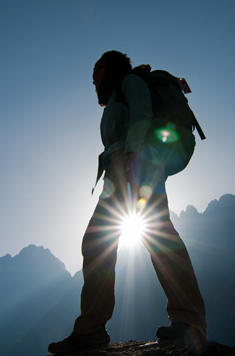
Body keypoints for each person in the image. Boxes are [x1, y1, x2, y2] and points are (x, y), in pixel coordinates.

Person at [48, 51, 207, 355]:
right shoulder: (115, 95)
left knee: (156, 237)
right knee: (109, 241)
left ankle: (188, 320)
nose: (93, 72)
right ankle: (93, 328)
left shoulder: (131, 81)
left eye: (98, 66)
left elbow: (143, 114)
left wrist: (133, 158)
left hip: (135, 165)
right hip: (121, 170)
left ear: (110, 68)